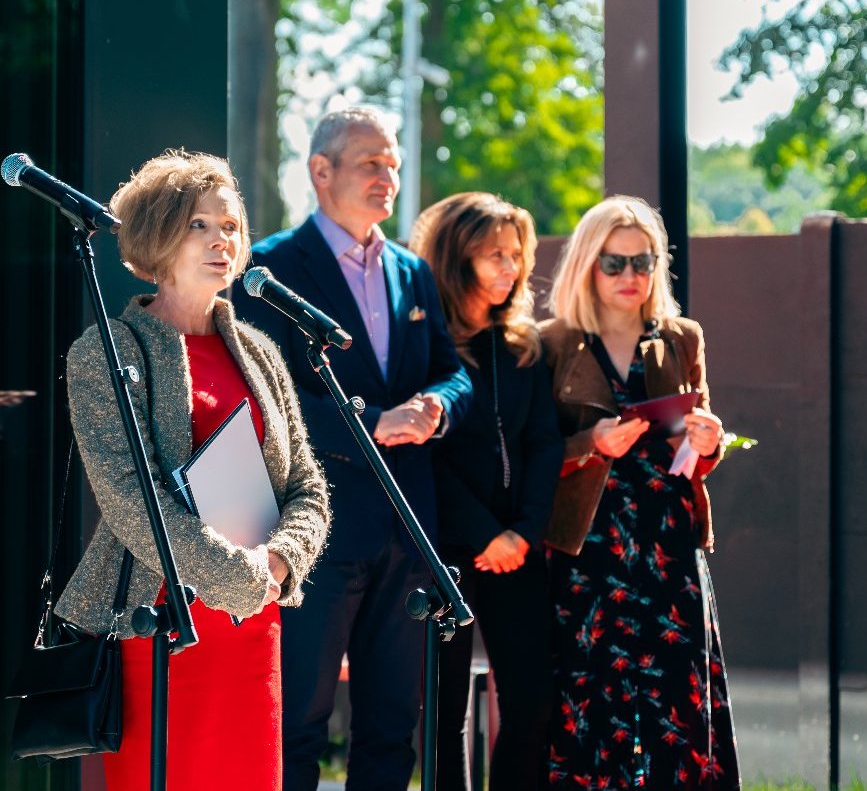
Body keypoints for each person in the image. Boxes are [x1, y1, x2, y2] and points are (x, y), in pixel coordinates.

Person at [57, 149, 330, 791]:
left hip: (253, 619)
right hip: (163, 621)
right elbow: (129, 497)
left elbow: (308, 485)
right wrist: (233, 575)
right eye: (198, 225)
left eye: (231, 226)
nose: (221, 241)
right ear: (156, 235)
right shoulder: (105, 350)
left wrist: (281, 561)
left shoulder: (260, 353)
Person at [233, 107, 472, 791]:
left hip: (409, 529)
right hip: (319, 532)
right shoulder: (270, 270)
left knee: (392, 727)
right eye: (373, 162)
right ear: (321, 171)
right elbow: (264, 400)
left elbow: (453, 372)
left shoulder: (411, 271)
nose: (388, 178)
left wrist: (437, 407)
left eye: (393, 164)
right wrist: (368, 423)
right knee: (297, 727)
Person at [539, 195, 740, 790]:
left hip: (667, 543)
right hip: (588, 546)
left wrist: (708, 442)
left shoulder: (681, 338)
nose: (631, 276)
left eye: (643, 262)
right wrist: (591, 442)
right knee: (588, 697)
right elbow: (530, 454)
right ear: (586, 264)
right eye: (615, 263)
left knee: (676, 701)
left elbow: (694, 450)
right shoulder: (550, 343)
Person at [408, 193, 563, 791]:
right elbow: (425, 457)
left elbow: (544, 444)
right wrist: (484, 533)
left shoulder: (524, 346)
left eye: (516, 254)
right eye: (493, 254)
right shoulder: (422, 347)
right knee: (444, 712)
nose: (511, 267)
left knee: (532, 703)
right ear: (453, 258)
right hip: (444, 549)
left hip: (517, 550)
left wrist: (523, 530)